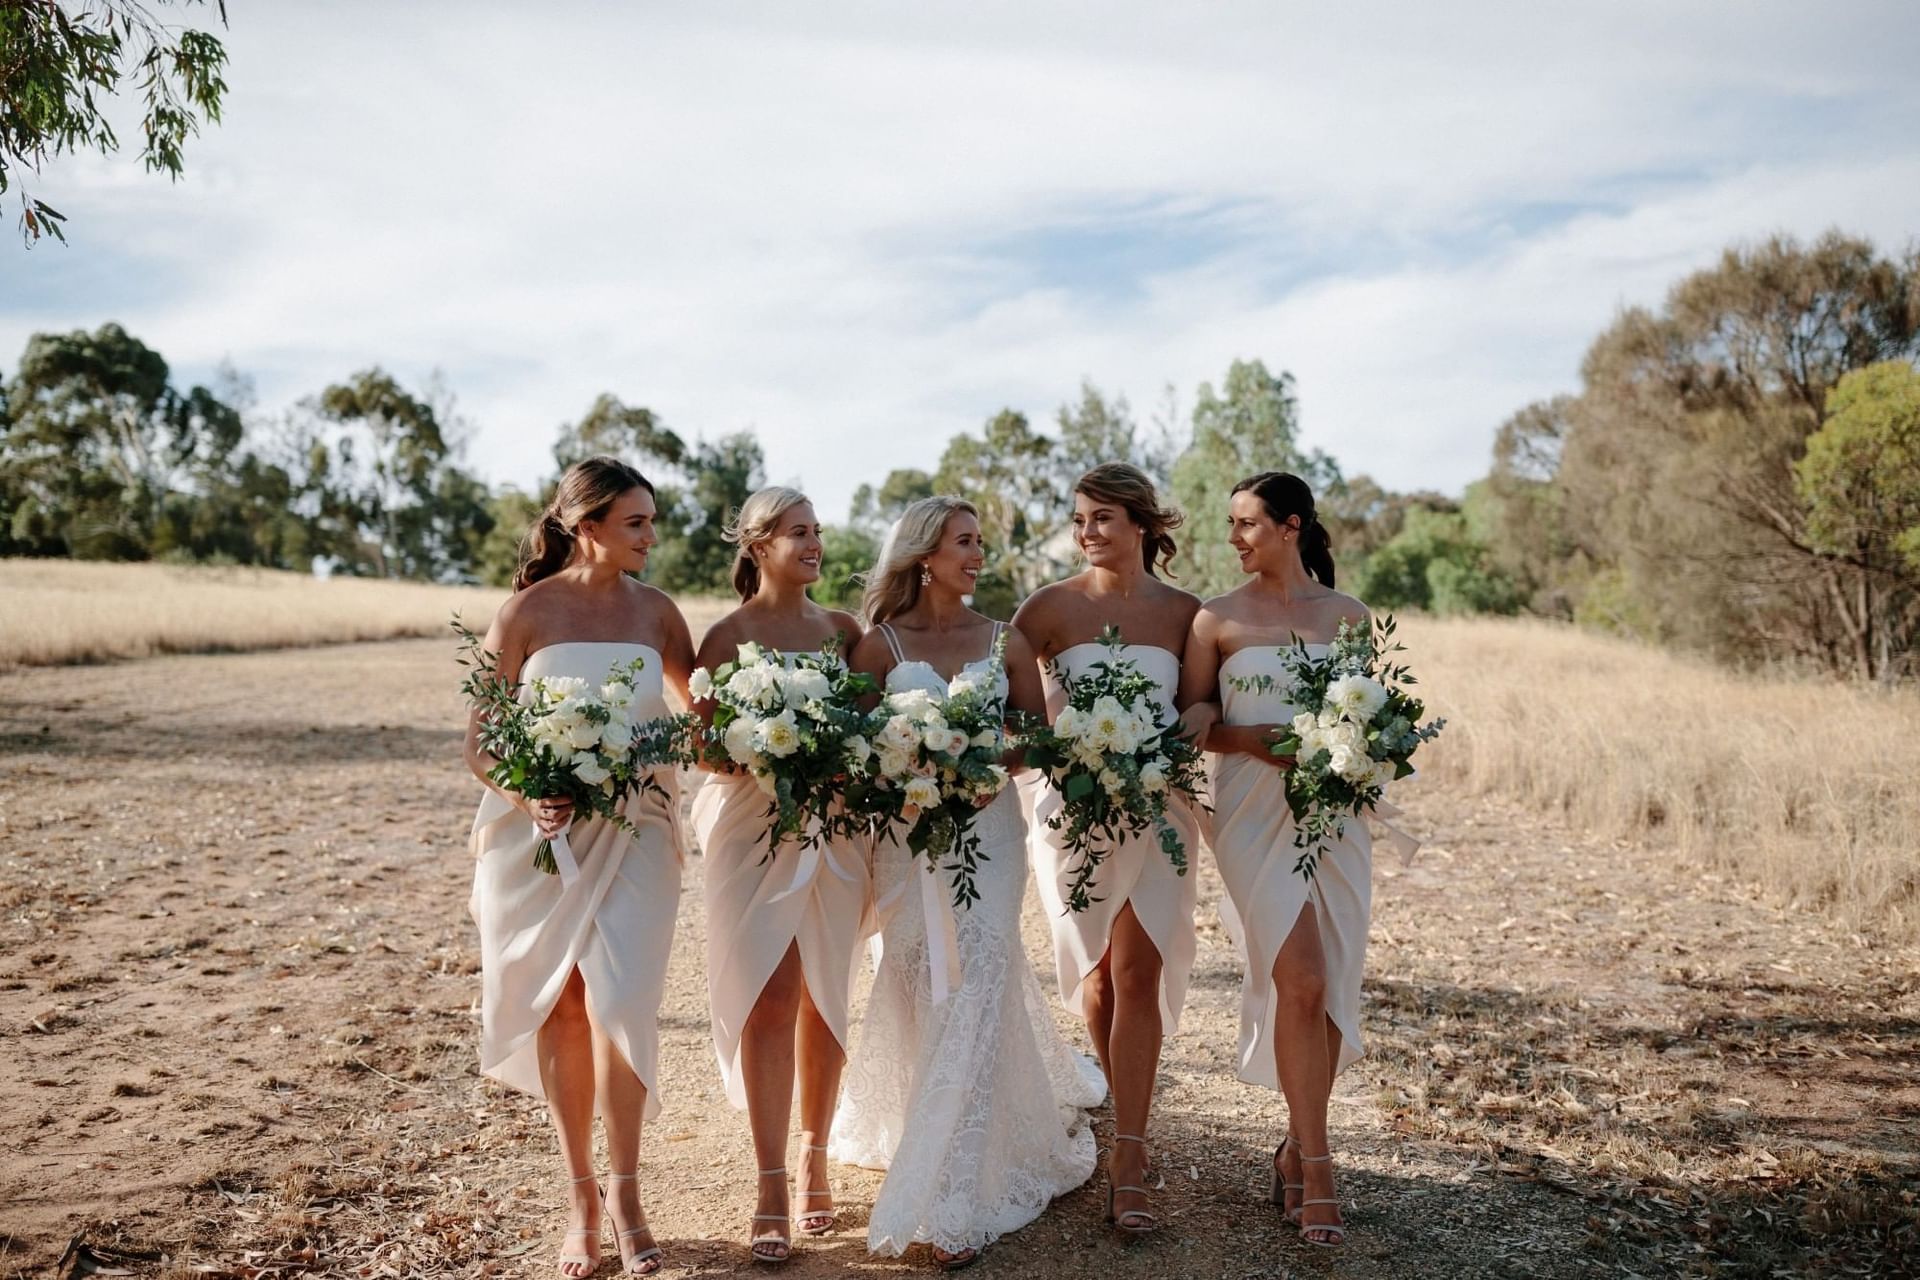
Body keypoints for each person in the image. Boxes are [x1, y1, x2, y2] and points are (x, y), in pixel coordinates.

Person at [831, 496, 1103, 1270]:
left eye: (981, 542)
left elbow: (1034, 731)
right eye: (964, 543)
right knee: (920, 974)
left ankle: (954, 1191)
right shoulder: (879, 647)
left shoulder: (1004, 638)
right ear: (924, 556)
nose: (978, 555)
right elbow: (852, 748)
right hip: (908, 840)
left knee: (979, 969)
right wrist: (904, 767)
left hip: (987, 833)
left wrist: (991, 765)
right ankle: (931, 1116)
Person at [464, 456, 695, 1277]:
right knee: (562, 1006)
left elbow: (697, 725)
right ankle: (581, 1198)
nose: (651, 536)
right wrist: (535, 794)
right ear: (586, 526)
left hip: (635, 832)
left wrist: (648, 748)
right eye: (636, 523)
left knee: (623, 1002)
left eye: (651, 521)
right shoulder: (525, 613)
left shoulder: (660, 615)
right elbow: (481, 745)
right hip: (539, 843)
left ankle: (630, 1192)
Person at [1176, 470, 1370, 1248]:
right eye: (1231, 525)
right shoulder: (1213, 620)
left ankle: (1295, 1143)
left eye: (1248, 523)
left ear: (1292, 526)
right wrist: (1245, 737)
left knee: (1330, 988)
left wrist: (1361, 752)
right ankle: (1320, 1165)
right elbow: (1196, 717)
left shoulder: (1349, 617)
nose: (1234, 538)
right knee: (1302, 977)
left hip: (1336, 815)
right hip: (1252, 813)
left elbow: (1370, 714)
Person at [1010, 463, 1203, 1235]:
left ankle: (1130, 1153)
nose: (1087, 533)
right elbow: (1009, 702)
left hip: (1160, 807)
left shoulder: (1188, 613)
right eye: (1079, 519)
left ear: (1144, 526)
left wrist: (1191, 722)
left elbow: (1200, 701)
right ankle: (1123, 1107)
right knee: (1095, 977)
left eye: (1102, 520)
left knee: (1139, 967)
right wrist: (1062, 734)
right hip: (1072, 808)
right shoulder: (1049, 607)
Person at [688, 486, 869, 1264]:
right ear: (758, 545)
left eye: (817, 531)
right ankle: (768, 1184)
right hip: (750, 826)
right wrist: (768, 750)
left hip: (833, 826)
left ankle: (814, 1154)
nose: (815, 543)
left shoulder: (844, 633)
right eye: (799, 532)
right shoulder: (726, 637)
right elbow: (701, 748)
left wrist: (832, 761)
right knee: (769, 993)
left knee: (824, 992)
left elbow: (870, 732)